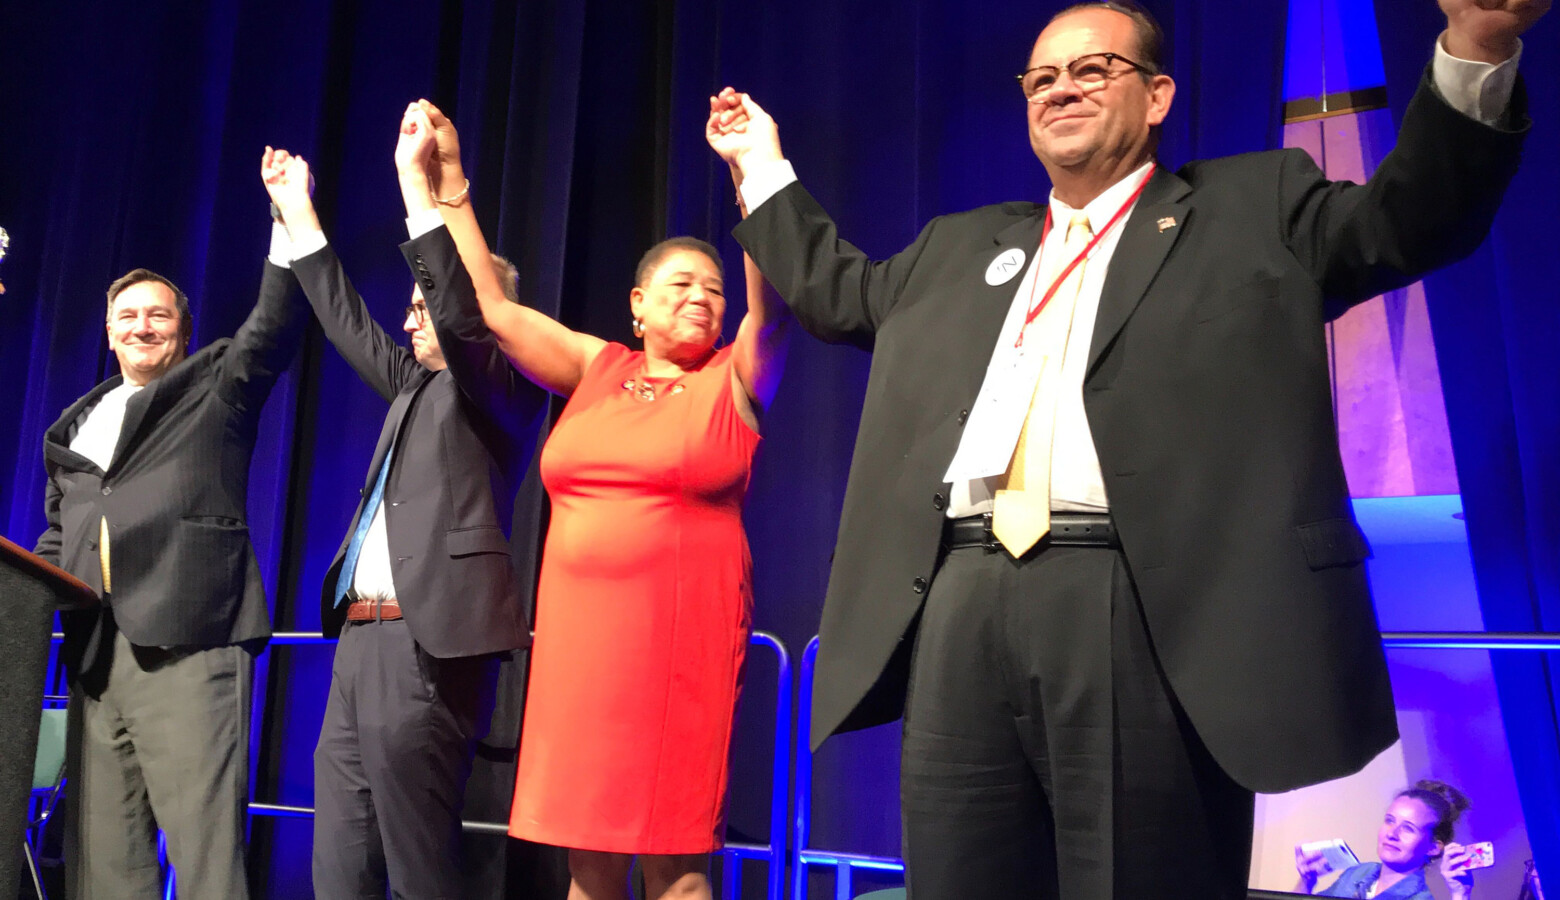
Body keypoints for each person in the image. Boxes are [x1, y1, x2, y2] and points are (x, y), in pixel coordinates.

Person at [705, 0, 1544, 896]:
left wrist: (1478, 45)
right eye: (1042, 77)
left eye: (1093, 68)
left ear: (1157, 96)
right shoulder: (961, 247)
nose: (1061, 86)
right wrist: (760, 161)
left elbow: (1414, 218)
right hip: (959, 595)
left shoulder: (1255, 206)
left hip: (1138, 596)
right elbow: (837, 293)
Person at [403, 103, 790, 899]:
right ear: (636, 306)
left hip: (681, 638)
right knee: (589, 859)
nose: (701, 297)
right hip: (583, 645)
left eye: (712, 289)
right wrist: (449, 188)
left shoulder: (734, 381)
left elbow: (773, 306)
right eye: (679, 284)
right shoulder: (599, 367)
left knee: (677, 865)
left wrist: (750, 173)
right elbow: (497, 312)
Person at [260, 104, 546, 899]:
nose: (413, 316)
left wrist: (414, 186)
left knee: (419, 868)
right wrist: (300, 215)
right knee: (340, 864)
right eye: (412, 306)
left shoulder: (502, 389)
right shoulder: (412, 389)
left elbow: (461, 311)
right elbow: (348, 322)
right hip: (360, 642)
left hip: (426, 645)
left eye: (425, 304)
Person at [33, 223, 308, 895]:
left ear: (183, 330)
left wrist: (286, 233)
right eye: (127, 316)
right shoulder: (73, 425)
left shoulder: (213, 387)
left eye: (158, 315)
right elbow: (54, 536)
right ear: (108, 333)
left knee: (205, 855)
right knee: (102, 863)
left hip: (190, 645)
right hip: (96, 658)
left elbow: (270, 330)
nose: (142, 326)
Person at [1296, 780, 1477, 899]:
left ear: (1433, 847)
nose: (1392, 833)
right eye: (1390, 821)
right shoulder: (1357, 874)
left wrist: (1460, 895)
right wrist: (1307, 881)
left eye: (1408, 828)